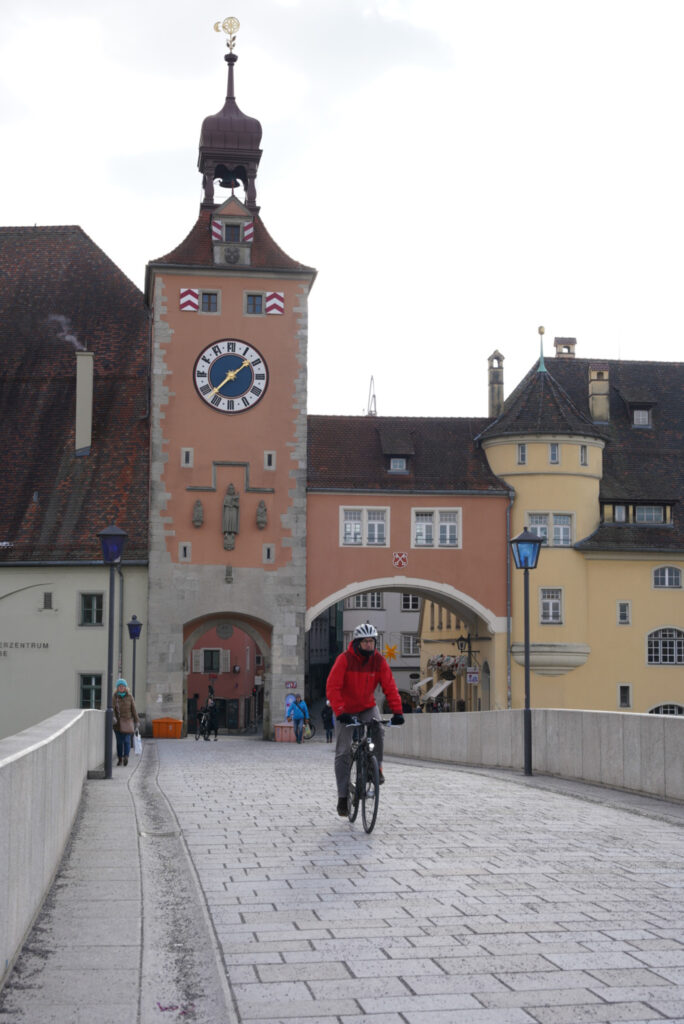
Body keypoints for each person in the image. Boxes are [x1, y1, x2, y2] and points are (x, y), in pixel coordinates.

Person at [326, 623, 404, 816]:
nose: (369, 645)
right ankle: (343, 798)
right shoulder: (344, 660)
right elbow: (332, 687)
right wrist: (341, 711)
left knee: (379, 728)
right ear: (358, 643)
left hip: (368, 706)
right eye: (365, 642)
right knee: (343, 752)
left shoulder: (378, 661)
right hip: (345, 708)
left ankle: (376, 768)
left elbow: (390, 686)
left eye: (372, 641)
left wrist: (398, 712)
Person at [113, 679, 139, 767]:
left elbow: (134, 710)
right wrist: (113, 717)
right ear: (117, 688)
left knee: (127, 741)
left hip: (128, 722)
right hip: (118, 723)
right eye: (120, 686)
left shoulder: (130, 697)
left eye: (123, 686)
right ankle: (120, 758)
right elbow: (112, 709)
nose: (121, 688)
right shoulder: (115, 697)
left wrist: (137, 721)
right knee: (119, 742)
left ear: (125, 687)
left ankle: (126, 757)